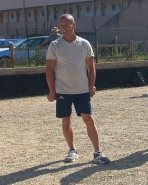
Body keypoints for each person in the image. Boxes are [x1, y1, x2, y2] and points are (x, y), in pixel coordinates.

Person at [46, 14, 110, 164]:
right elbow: (49, 70)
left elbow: (91, 67)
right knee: (66, 121)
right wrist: (52, 91)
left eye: (66, 25)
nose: (63, 28)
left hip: (82, 90)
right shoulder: (55, 45)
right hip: (63, 91)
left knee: (89, 119)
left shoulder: (84, 44)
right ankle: (72, 150)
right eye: (61, 25)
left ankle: (98, 153)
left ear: (74, 25)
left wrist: (91, 86)